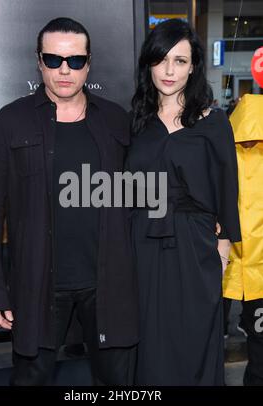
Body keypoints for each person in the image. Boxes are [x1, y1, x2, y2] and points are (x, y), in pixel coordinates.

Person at [0, 17, 138, 386]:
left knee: (118, 387)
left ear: (89, 63)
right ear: (39, 62)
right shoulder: (11, 121)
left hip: (109, 285)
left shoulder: (115, 120)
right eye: (54, 60)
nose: (65, 70)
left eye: (76, 61)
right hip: (37, 284)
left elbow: (143, 192)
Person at [126, 19, 241, 385]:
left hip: (195, 247)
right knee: (150, 341)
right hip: (142, 243)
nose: (169, 70)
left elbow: (228, 187)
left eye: (179, 60)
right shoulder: (136, 124)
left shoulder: (214, 122)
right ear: (149, 64)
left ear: (193, 66)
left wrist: (222, 247)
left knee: (194, 338)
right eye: (161, 60)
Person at [223, 94, 263, 386]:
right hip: (231, 264)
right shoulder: (216, 149)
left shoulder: (218, 150)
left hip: (223, 264)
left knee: (208, 341)